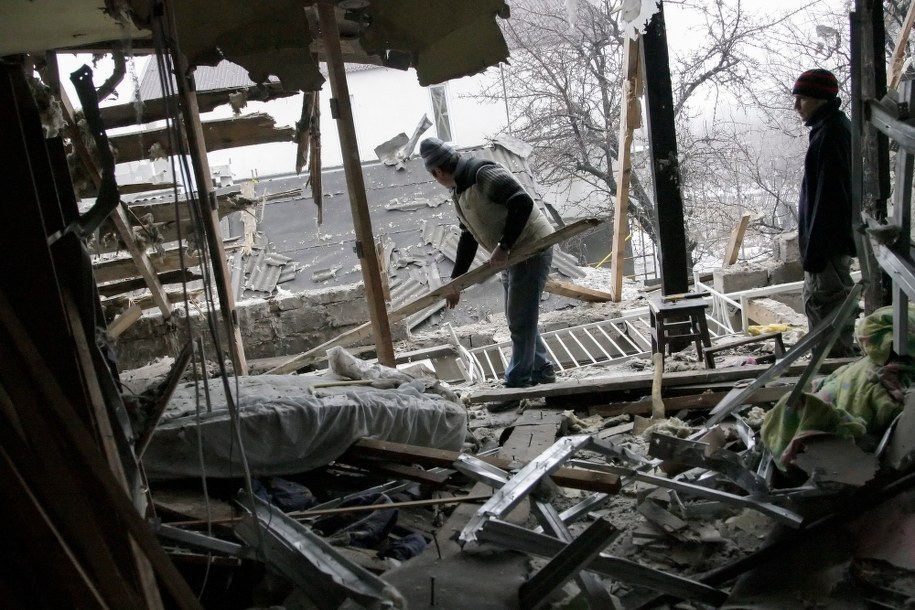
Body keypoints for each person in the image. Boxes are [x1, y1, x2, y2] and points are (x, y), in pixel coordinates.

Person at [419, 137, 556, 408]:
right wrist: (456, 282)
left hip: (531, 248)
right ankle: (541, 369)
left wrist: (503, 246)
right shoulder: (459, 190)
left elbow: (521, 202)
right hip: (513, 255)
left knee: (520, 319)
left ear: (438, 172)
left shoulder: (482, 174)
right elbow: (467, 237)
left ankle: (517, 385)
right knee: (518, 316)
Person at [792, 68, 857, 357]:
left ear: (820, 99)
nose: (796, 106)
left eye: (802, 99)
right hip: (827, 243)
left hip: (826, 245)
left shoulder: (831, 134)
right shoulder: (830, 129)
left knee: (827, 309)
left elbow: (829, 199)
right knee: (826, 308)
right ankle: (831, 364)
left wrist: (815, 251)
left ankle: (833, 368)